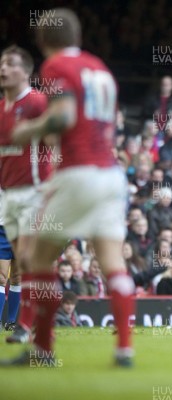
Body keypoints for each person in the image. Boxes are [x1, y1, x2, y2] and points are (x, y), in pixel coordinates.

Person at [5, 9, 135, 367]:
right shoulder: (100, 67)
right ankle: (125, 349)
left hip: (76, 174)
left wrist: (30, 130)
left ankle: (43, 351)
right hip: (111, 175)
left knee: (36, 259)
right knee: (112, 262)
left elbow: (63, 115)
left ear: (43, 40)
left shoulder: (56, 67)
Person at [0, 45, 51, 340]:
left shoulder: (37, 103)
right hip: (8, 196)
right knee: (23, 261)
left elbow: (57, 140)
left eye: (9, 64)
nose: (3, 69)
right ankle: (30, 325)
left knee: (29, 261)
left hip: (35, 190)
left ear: (26, 71)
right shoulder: (1, 108)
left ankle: (25, 326)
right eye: (1, 64)